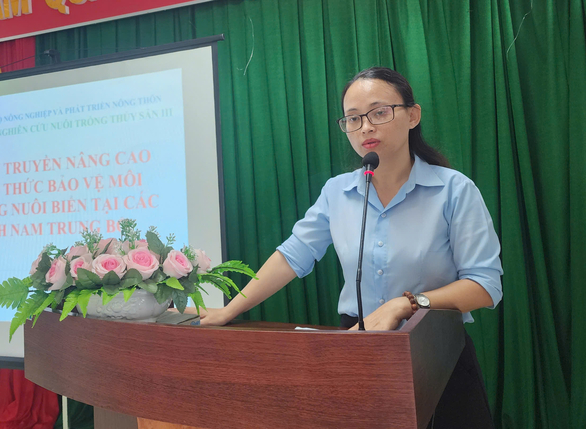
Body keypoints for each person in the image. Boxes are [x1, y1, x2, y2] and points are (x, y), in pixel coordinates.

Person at [192, 67, 502, 428]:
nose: (366, 127)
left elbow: (485, 286)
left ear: (412, 115)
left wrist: (406, 303)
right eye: (353, 119)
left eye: (379, 112)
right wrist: (230, 310)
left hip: (436, 351)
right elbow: (293, 255)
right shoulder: (337, 192)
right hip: (357, 351)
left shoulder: (454, 190)